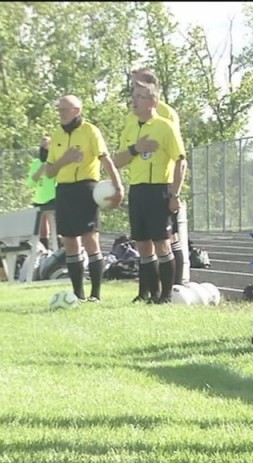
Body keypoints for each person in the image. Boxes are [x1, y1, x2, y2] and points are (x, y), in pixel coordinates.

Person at [112, 81, 187, 304]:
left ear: (153, 102)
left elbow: (180, 161)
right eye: (133, 96)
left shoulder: (165, 126)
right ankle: (149, 294)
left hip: (159, 190)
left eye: (140, 97)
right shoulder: (131, 127)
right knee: (143, 245)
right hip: (138, 190)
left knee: (162, 243)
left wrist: (174, 194)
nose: (134, 101)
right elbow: (117, 160)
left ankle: (166, 295)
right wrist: (136, 149)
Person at [45, 95, 124, 302]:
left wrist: (118, 186)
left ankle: (95, 294)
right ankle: (78, 294)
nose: (60, 113)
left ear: (77, 110)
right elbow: (50, 172)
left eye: (64, 109)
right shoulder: (57, 135)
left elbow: (105, 160)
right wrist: (65, 159)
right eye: (59, 109)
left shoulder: (90, 131)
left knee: (90, 239)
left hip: (85, 189)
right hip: (64, 190)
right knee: (70, 242)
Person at [27, 137, 58, 251]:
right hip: (39, 200)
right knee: (42, 231)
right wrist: (40, 171)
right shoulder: (36, 163)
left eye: (46, 146)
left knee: (56, 228)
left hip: (53, 198)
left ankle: (59, 252)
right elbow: (30, 183)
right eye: (41, 147)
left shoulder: (56, 162)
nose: (43, 149)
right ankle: (44, 254)